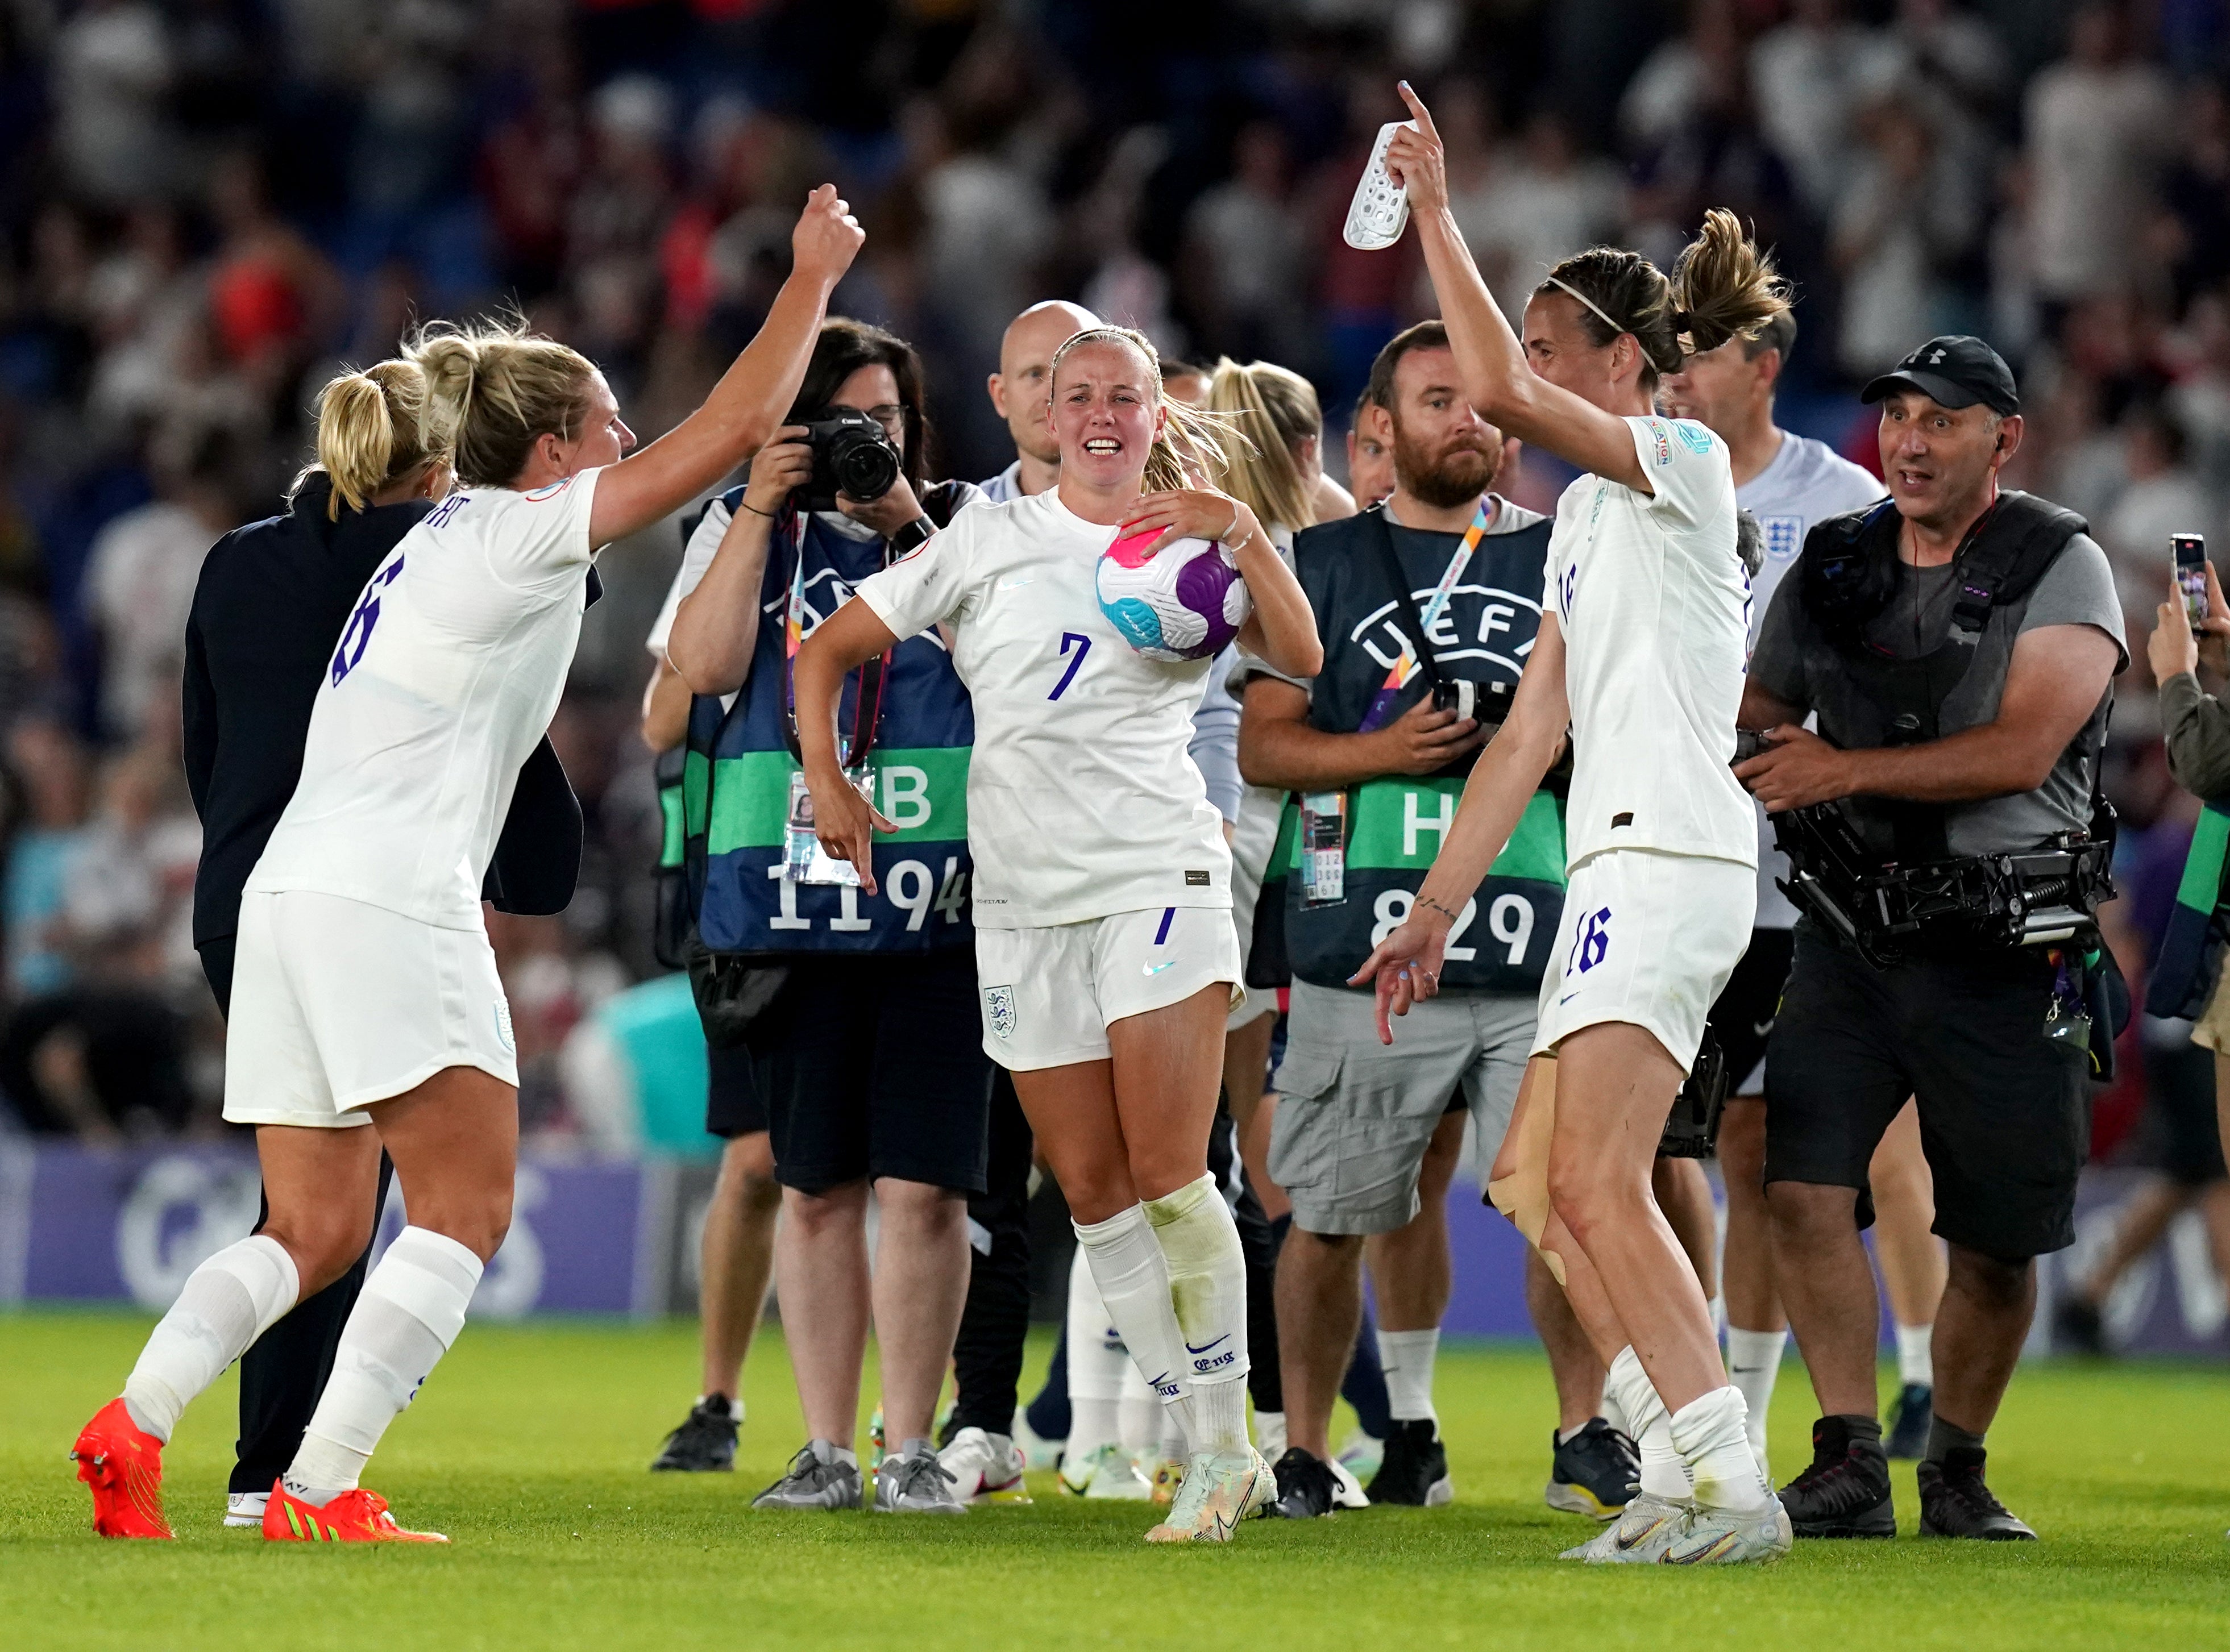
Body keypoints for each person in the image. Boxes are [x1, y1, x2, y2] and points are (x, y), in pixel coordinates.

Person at [69, 185, 864, 1544]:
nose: (628, 440)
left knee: (313, 1227)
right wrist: (810, 278)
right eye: (609, 421)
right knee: (466, 1204)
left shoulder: (435, 538)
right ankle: (318, 1489)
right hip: (390, 894)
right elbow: (730, 431)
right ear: (553, 449)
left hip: (289, 896)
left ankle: (133, 1426)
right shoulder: (511, 527)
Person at [1355, 82, 1793, 1565]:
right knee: (1541, 1184)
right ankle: (1682, 1454)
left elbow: (1488, 377)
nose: (1509, 384)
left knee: (1595, 1178)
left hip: (1669, 852)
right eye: (1524, 355)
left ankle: (1725, 1483)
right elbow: (1525, 736)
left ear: (1624, 360)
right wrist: (1430, 905)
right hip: (1614, 860)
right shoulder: (1577, 531)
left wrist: (1431, 206)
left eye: (1548, 357)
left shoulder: (1673, 466)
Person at [795, 322, 1322, 1542]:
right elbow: (827, 651)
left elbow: (1300, 658)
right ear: (1039, 410)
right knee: (1089, 1191)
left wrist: (1241, 528)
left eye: (1122, 396)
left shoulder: (1196, 532)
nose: (1097, 413)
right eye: (1074, 393)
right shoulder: (983, 536)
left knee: (1170, 1171)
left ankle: (1224, 1447)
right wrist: (828, 778)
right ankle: (1203, 1442)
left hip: (1158, 871)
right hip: (1024, 900)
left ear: (1153, 412)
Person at [1738, 335, 2125, 1540]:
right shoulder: (1836, 560)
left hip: (2009, 945)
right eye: (1898, 415)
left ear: (2002, 439)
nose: (1908, 438)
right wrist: (1766, 759)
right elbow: (1761, 708)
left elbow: (2022, 748)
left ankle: (1956, 1462)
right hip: (1851, 938)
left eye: (1941, 419)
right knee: (1799, 1188)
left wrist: (1839, 767)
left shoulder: (2062, 562)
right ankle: (1848, 1452)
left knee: (1999, 1243)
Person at [1239, 319, 1571, 1521]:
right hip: (1353, 943)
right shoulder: (1318, 558)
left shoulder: (1568, 554)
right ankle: (1311, 1450)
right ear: (1378, 426)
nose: (1468, 422)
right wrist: (1386, 749)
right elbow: (1262, 745)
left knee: (1568, 1209)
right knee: (1328, 1217)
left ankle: (1586, 1438)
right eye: (1440, 400)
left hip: (1541, 944)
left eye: (1484, 402)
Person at [667, 317, 990, 1515]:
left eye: (888, 421)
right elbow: (701, 668)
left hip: (939, 901)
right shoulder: (757, 526)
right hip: (793, 905)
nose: (867, 442)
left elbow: (998, 651)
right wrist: (757, 504)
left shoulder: (963, 522)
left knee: (927, 1187)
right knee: (813, 1188)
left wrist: (905, 513)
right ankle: (825, 1447)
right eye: (842, 422)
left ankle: (910, 1444)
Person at [1661, 312, 1944, 1471]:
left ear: (1765, 368)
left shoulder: (1838, 498)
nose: (1675, 377)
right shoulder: (1646, 475)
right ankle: (1697, 1414)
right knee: (1703, 1145)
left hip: (1802, 878)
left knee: (1785, 1146)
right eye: (1666, 356)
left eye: (1699, 356)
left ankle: (1807, 1402)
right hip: (1676, 848)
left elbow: (1890, 661)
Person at [638, 518, 780, 1475]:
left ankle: (932, 1418)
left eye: (888, 416)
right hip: (759, 888)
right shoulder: (738, 534)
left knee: (923, 1180)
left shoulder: (938, 523)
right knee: (758, 1162)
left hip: (909, 881)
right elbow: (662, 719)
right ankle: (719, 1398)